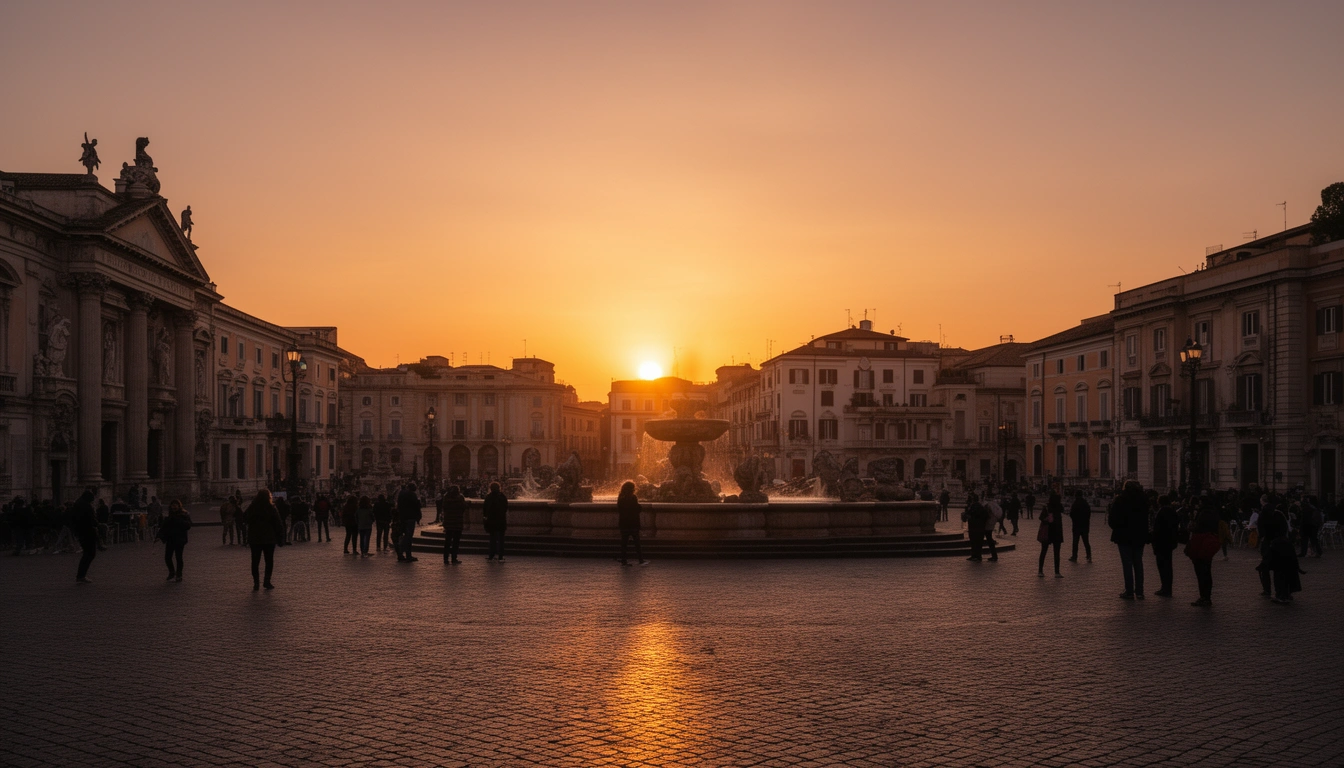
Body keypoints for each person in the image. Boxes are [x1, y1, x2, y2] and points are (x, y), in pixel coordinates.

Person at [1109, 480, 1149, 600]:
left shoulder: (1120, 500)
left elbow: (1112, 519)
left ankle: (1129, 591)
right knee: (1138, 563)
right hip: (1139, 536)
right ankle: (1140, 591)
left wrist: (1117, 527)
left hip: (1124, 536)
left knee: (1127, 564)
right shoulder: (1143, 500)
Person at [244, 489, 284, 590]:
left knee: (255, 561)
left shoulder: (252, 508)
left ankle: (256, 583)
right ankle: (267, 581)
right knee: (269, 561)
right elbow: (278, 524)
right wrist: (280, 538)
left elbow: (245, 518)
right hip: (269, 539)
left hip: (255, 538)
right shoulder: (271, 508)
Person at [1185, 502, 1222, 607]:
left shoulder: (1202, 515)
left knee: (1201, 573)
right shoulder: (1214, 514)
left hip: (1200, 544)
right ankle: (1207, 597)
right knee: (1207, 572)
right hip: (1209, 545)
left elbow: (1196, 528)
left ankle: (1203, 597)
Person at [1150, 495, 1180, 597]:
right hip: (1170, 542)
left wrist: (1153, 541)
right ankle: (1168, 588)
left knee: (1162, 566)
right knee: (1168, 566)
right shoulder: (1173, 512)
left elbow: (1157, 529)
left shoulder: (1161, 512)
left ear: (1160, 502)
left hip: (1161, 542)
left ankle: (1165, 588)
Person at [158, 499, 193, 582]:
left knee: (178, 557)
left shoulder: (184, 514)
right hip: (170, 539)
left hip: (180, 539)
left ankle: (179, 574)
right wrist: (159, 535)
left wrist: (177, 520)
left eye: (175, 504)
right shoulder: (169, 515)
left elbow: (188, 525)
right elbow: (164, 527)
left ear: (179, 506)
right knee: (167, 557)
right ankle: (172, 572)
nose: (174, 506)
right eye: (172, 505)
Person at [72, 490, 99, 584]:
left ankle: (81, 575)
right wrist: (97, 524)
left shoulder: (78, 504)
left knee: (88, 554)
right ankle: (81, 576)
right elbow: (92, 519)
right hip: (87, 531)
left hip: (81, 531)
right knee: (90, 554)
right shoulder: (86, 506)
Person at [617, 481, 647, 566]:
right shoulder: (633, 497)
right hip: (633, 523)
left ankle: (624, 560)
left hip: (623, 523)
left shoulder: (620, 497)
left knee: (624, 543)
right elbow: (636, 509)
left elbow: (619, 509)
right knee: (637, 543)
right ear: (632, 489)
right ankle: (641, 560)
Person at [962, 493, 995, 562]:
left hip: (974, 527)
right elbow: (985, 516)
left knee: (974, 542)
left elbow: (969, 514)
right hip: (980, 527)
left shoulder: (974, 506)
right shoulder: (981, 506)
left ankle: (975, 556)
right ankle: (977, 555)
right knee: (978, 542)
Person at [1038, 490, 1064, 577]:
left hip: (1048, 531)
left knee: (1043, 551)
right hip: (1057, 532)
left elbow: (1041, 518)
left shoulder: (1047, 508)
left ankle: (1040, 570)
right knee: (1057, 553)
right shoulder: (1059, 508)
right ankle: (1057, 572)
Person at [395, 483, 422, 562]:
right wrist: (418, 517)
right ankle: (408, 555)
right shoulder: (412, 495)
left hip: (403, 517)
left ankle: (401, 554)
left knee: (404, 536)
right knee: (408, 537)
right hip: (410, 517)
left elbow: (398, 505)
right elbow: (417, 506)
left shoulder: (401, 494)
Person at [483, 481, 508, 562]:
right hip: (501, 520)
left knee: (492, 539)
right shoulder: (502, 496)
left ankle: (491, 555)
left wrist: (486, 517)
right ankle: (500, 556)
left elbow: (485, 508)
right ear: (499, 487)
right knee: (501, 540)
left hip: (491, 520)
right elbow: (506, 507)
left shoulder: (488, 497)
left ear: (490, 488)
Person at [440, 485, 466, 565]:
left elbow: (443, 507)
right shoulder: (460, 498)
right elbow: (463, 508)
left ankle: (445, 559)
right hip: (458, 522)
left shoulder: (446, 497)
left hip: (448, 522)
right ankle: (454, 558)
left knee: (447, 541)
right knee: (456, 542)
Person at [1067, 490, 1092, 562]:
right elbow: (1088, 514)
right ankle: (1089, 555)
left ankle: (1074, 556)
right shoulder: (1085, 503)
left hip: (1076, 525)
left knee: (1075, 542)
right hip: (1085, 525)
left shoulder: (1075, 503)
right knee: (1086, 541)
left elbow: (1072, 514)